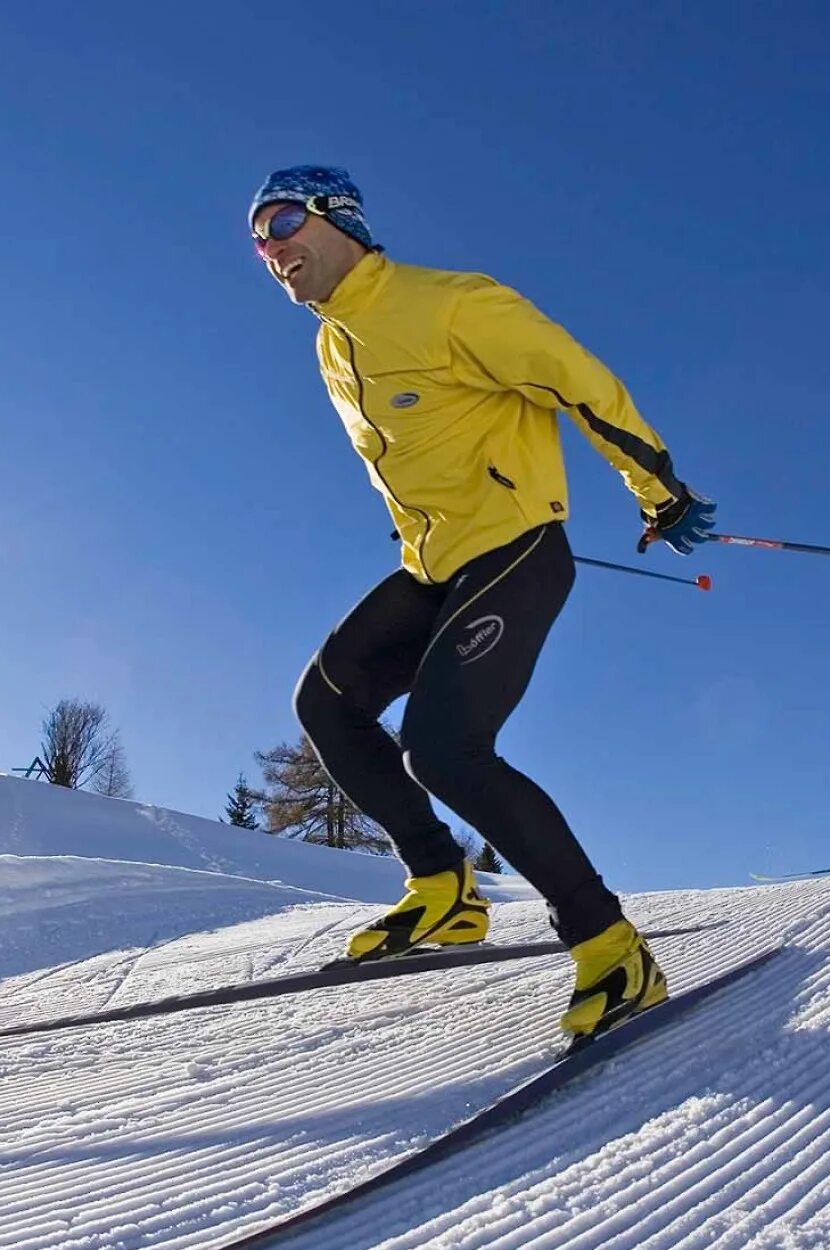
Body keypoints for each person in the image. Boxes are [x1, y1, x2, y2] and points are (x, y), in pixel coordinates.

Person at [248, 165, 717, 1040]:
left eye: (279, 223)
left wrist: (661, 489)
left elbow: (577, 380)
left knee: (445, 750)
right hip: (433, 566)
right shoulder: (331, 345)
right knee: (327, 700)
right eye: (257, 241)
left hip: (516, 550)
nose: (269, 249)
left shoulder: (454, 303)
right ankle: (442, 887)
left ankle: (612, 948)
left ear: (335, 216)